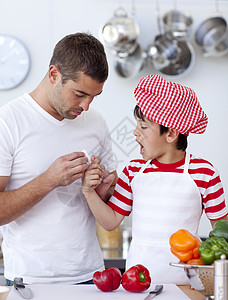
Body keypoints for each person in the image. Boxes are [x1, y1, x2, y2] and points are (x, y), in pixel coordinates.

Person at [82, 74, 228, 284]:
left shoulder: (203, 172)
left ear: (171, 134)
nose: (134, 133)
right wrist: (88, 191)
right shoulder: (134, 170)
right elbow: (110, 221)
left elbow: (223, 232)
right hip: (137, 283)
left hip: (188, 285)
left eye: (143, 127)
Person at [0, 32, 118, 285]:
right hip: (29, 279)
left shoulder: (96, 122)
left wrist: (104, 191)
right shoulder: (7, 122)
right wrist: (49, 180)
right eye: (79, 94)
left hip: (91, 277)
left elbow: (106, 203)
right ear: (54, 74)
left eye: (94, 97)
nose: (86, 106)